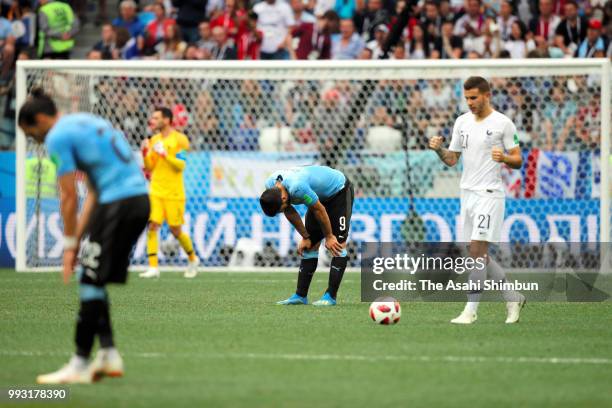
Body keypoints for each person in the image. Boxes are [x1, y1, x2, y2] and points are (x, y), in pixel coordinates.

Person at [18, 89, 149, 383]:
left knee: (89, 278)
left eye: (32, 134)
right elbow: (90, 190)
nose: (35, 141)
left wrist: (67, 246)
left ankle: (79, 363)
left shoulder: (56, 137)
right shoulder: (85, 122)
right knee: (91, 278)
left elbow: (67, 197)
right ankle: (107, 354)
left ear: (40, 119)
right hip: (133, 201)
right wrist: (77, 240)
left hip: (120, 203)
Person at [428, 76, 525, 325]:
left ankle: (470, 311)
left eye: (474, 97)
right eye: (467, 98)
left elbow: (518, 159)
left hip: (489, 194)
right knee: (476, 255)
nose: (470, 102)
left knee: (477, 252)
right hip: (467, 194)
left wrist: (503, 157)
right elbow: (452, 159)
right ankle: (512, 297)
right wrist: (439, 149)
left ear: (487, 95)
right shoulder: (461, 122)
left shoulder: (503, 123)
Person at [259, 165, 354, 306]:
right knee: (310, 246)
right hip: (318, 199)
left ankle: (330, 296)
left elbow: (319, 209)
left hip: (339, 192)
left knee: (337, 245)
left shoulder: (298, 188)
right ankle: (300, 296)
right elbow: (289, 211)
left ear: (284, 198)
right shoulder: (270, 185)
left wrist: (329, 236)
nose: (283, 210)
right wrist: (305, 236)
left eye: (282, 208)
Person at [140, 107, 199, 279]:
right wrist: (145, 153)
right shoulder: (154, 140)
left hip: (174, 193)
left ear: (167, 120)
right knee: (152, 225)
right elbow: (149, 167)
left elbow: (181, 165)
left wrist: (165, 154)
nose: (153, 120)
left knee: (175, 230)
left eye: (156, 117)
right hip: (156, 190)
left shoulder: (180, 139)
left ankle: (193, 259)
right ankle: (153, 267)